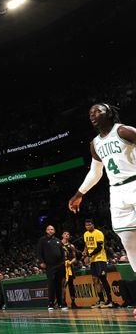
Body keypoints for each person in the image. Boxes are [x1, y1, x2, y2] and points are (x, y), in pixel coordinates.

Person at [68, 103, 136, 315]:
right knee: (128, 242)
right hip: (116, 192)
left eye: (98, 111)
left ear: (110, 113)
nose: (93, 115)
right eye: (90, 113)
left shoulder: (124, 131)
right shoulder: (95, 144)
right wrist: (79, 193)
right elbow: (96, 173)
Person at [82, 219, 113, 308]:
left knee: (103, 279)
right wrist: (85, 252)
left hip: (100, 259)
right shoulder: (85, 234)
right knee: (95, 280)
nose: (88, 226)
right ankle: (101, 300)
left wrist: (89, 255)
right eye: (86, 225)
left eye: (90, 225)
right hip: (93, 260)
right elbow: (87, 245)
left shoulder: (98, 233)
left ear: (93, 225)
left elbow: (99, 247)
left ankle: (110, 300)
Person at [37, 225, 66, 311]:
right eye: (49, 229)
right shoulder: (42, 240)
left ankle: (60, 304)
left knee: (59, 285)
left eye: (52, 229)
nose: (50, 231)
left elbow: (62, 253)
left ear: (54, 231)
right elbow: (39, 252)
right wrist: (41, 262)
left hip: (60, 265)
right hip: (50, 266)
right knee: (51, 285)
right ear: (46, 231)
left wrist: (63, 263)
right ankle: (51, 304)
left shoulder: (58, 241)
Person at [61, 231, 80, 309]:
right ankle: (63, 302)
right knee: (63, 285)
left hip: (69, 267)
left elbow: (75, 258)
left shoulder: (71, 246)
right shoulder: (58, 244)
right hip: (62, 267)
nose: (66, 235)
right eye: (65, 234)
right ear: (62, 235)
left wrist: (70, 262)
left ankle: (73, 302)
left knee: (71, 285)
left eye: (68, 234)